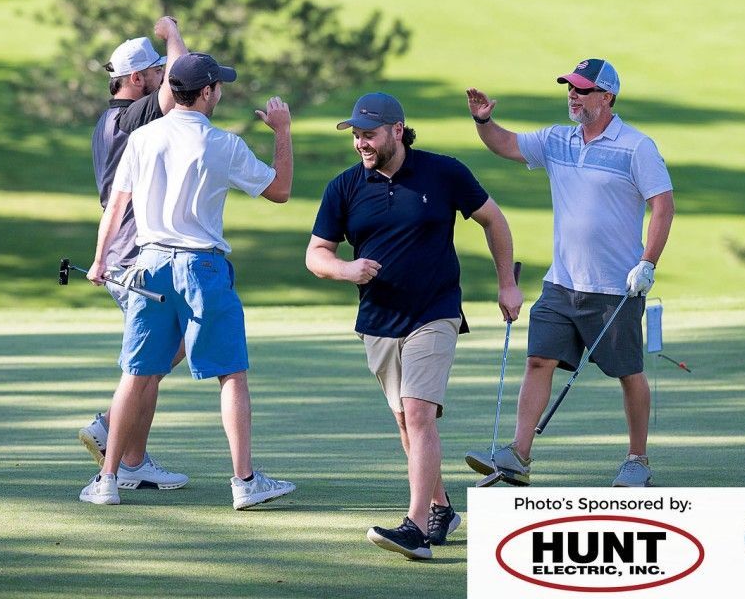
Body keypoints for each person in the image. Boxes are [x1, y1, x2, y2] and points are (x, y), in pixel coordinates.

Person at [305, 92, 521, 560]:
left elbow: (493, 220)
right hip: (378, 321)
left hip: (434, 312)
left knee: (419, 415)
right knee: (406, 423)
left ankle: (417, 529)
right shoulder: (344, 187)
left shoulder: (443, 172)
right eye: (357, 135)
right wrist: (346, 269)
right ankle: (442, 507)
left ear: (397, 131)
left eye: (370, 134)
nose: (362, 142)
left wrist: (508, 284)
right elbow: (316, 254)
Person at [79, 51, 297, 510]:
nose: (221, 92)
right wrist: (282, 133)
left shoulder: (142, 137)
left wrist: (99, 261)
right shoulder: (222, 143)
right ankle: (244, 483)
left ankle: (107, 480)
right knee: (231, 373)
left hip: (148, 262)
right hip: (202, 267)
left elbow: (116, 208)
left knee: (135, 373)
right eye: (219, 86)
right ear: (206, 92)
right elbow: (279, 191)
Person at [463, 58, 674, 488]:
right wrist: (484, 121)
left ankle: (638, 459)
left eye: (582, 89)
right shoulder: (557, 140)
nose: (573, 96)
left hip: (616, 287)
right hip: (561, 283)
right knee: (539, 360)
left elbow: (663, 205)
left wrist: (647, 263)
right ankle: (519, 454)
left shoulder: (637, 147)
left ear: (607, 96)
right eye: (570, 89)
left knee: (628, 372)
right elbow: (507, 144)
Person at [75, 17, 189, 492]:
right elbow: (185, 79)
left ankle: (135, 458)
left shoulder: (111, 119)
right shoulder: (133, 116)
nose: (165, 75)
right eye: (156, 70)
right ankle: (111, 432)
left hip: (131, 253)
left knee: (166, 350)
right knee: (150, 359)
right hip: (134, 254)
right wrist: (172, 33)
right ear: (138, 79)